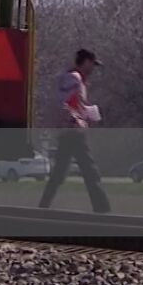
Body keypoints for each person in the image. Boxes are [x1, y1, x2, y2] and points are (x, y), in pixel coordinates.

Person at [38, 49, 111, 214]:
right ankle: (103, 211)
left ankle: (42, 207)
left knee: (59, 174)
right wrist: (74, 119)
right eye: (92, 64)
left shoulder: (77, 80)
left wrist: (87, 112)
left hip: (70, 132)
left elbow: (72, 103)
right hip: (73, 133)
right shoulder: (73, 78)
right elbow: (62, 101)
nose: (93, 69)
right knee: (91, 172)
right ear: (86, 62)